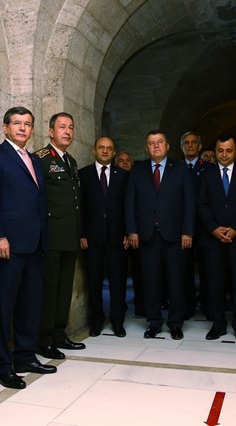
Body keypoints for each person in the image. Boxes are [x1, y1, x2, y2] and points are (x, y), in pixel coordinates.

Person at [0, 106, 55, 390]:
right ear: (5, 128)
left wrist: (44, 240)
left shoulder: (36, 161)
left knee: (29, 305)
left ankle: (25, 356)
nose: (22, 128)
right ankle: (3, 365)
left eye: (27, 124)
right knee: (4, 306)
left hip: (34, 245)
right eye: (17, 123)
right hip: (8, 245)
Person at [125, 130, 195, 340]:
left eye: (160, 142)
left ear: (168, 146)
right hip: (146, 236)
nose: (156, 146)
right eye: (151, 143)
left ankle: (175, 323)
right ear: (147, 148)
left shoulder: (181, 169)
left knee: (176, 281)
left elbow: (189, 203)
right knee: (151, 282)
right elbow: (130, 203)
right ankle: (154, 322)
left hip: (175, 236)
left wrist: (187, 231)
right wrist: (132, 230)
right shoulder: (137, 171)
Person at [35, 112, 86, 360]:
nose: (67, 131)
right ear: (51, 132)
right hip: (52, 236)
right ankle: (43, 339)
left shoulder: (72, 162)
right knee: (49, 288)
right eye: (62, 127)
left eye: (71, 127)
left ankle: (59, 333)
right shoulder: (41, 159)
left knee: (65, 287)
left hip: (70, 236)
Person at [198, 134, 236, 343]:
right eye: (220, 150)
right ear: (215, 151)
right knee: (215, 285)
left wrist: (235, 229)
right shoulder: (205, 174)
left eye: (228, 150)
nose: (224, 155)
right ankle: (218, 324)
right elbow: (201, 204)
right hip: (213, 240)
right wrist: (214, 228)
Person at [79, 137, 129, 337]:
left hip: (118, 238)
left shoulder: (123, 176)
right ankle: (96, 321)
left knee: (118, 281)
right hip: (92, 238)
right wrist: (82, 234)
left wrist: (128, 232)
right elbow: (80, 207)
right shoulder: (83, 174)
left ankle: (118, 321)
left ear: (114, 152)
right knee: (94, 281)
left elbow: (128, 206)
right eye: (102, 148)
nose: (105, 151)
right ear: (94, 151)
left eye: (109, 148)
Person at [181, 131, 208, 319]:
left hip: (205, 226)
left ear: (199, 146)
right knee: (183, 269)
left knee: (208, 269)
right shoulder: (176, 168)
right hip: (182, 228)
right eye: (186, 143)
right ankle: (187, 307)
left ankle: (208, 306)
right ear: (181, 147)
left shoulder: (209, 168)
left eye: (193, 142)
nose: (190, 145)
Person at [115, 151, 145, 316]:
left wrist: (132, 231)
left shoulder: (138, 180)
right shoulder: (112, 180)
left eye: (128, 160)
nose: (125, 163)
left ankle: (141, 304)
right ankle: (120, 307)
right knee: (118, 274)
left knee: (140, 272)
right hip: (118, 236)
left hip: (137, 234)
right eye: (121, 161)